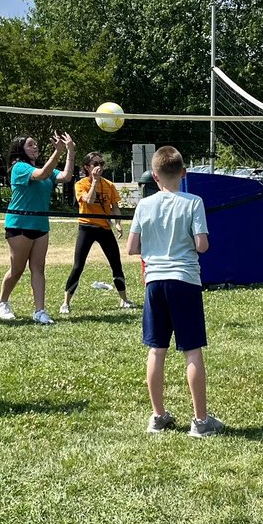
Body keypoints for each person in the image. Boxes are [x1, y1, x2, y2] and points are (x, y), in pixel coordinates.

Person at [126, 145, 224, 438]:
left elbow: (132, 247)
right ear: (183, 172)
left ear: (154, 176)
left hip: (154, 282)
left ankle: (158, 417)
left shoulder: (144, 205)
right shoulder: (193, 202)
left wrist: (156, 247)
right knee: (192, 350)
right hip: (184, 281)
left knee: (157, 349)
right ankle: (201, 421)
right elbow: (202, 245)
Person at [0, 133, 75, 325]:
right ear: (20, 149)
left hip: (40, 225)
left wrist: (70, 151)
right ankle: (2, 302)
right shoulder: (19, 167)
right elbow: (43, 175)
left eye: (35, 144)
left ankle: (40, 311)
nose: (35, 147)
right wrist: (57, 152)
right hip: (19, 224)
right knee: (17, 269)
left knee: (38, 268)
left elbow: (65, 176)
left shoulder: (40, 168)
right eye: (30, 145)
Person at [60, 151, 133, 315]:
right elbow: (89, 200)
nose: (99, 167)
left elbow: (115, 206)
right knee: (78, 265)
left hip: (105, 229)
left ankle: (124, 299)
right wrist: (94, 181)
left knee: (116, 263)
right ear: (87, 167)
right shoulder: (81, 184)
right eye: (95, 164)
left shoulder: (109, 185)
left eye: (102, 163)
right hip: (86, 227)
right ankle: (66, 303)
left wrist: (118, 223)